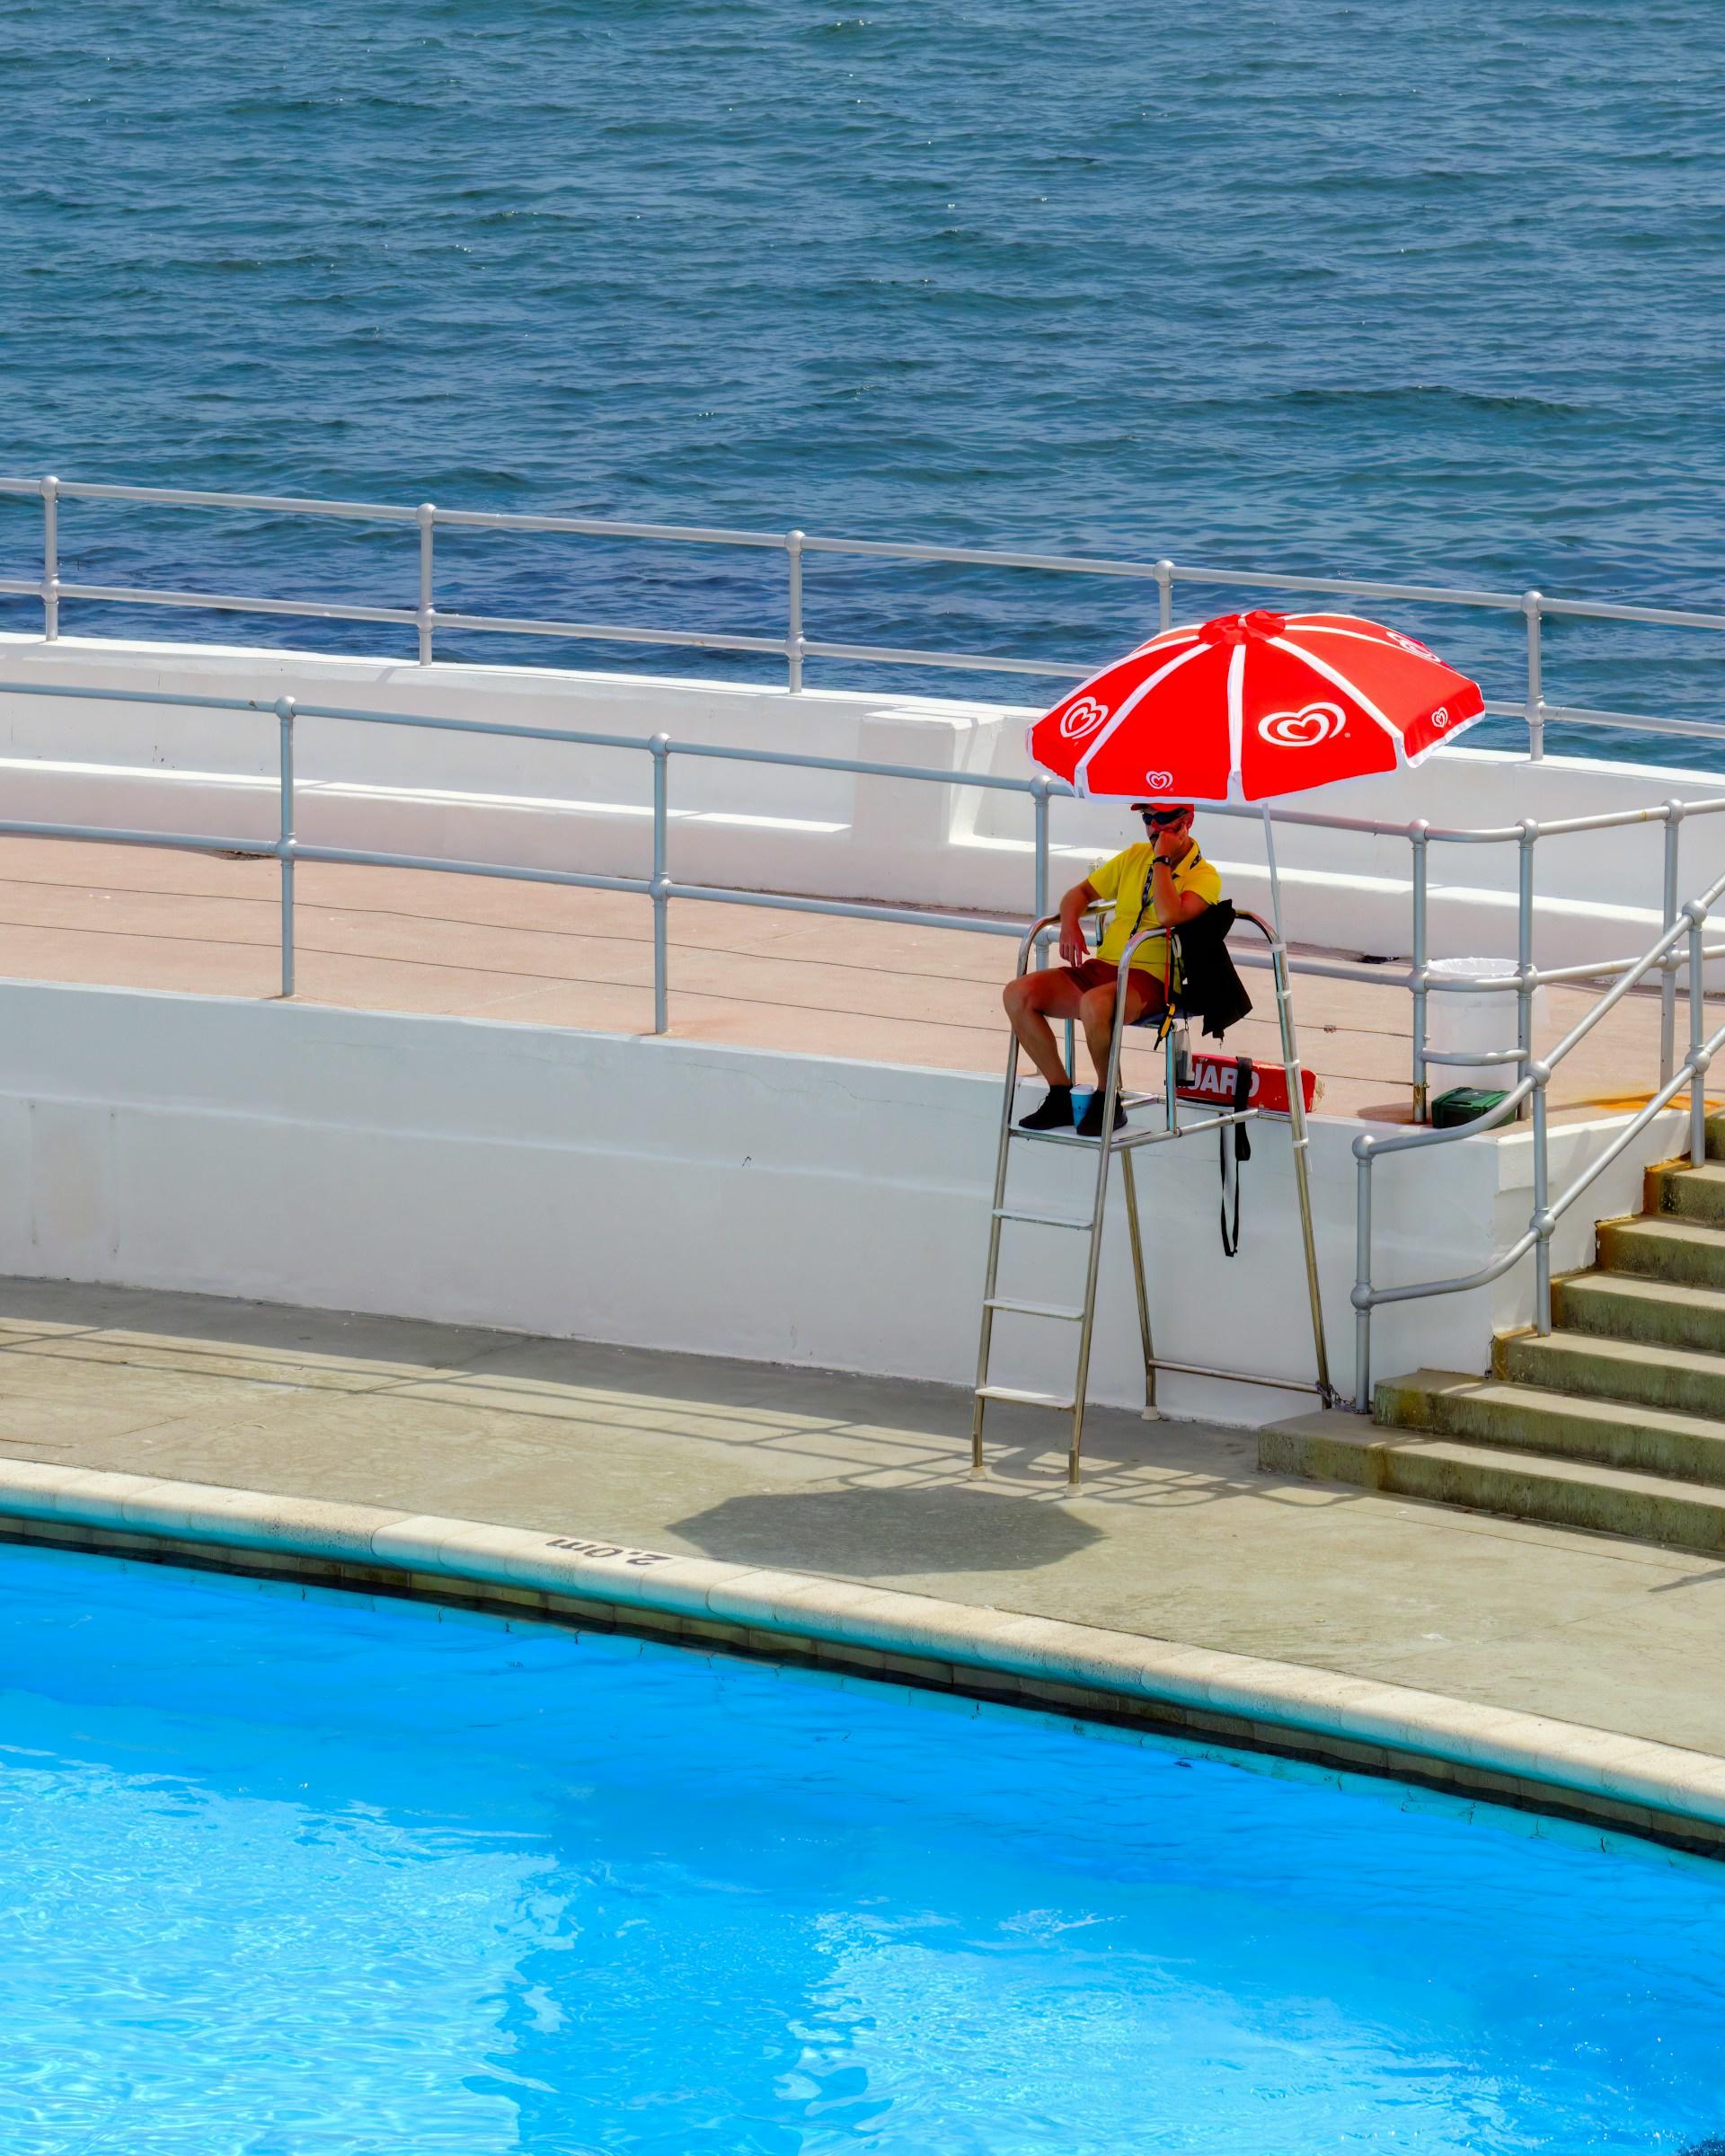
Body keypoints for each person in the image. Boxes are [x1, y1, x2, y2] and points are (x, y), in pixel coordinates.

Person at [1002, 801, 1223, 1136]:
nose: (1154, 828)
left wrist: (1162, 861)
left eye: (1164, 820)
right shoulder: (1134, 855)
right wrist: (1071, 922)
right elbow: (1079, 892)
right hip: (1105, 967)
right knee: (1018, 994)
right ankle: (1061, 1093)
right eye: (1148, 819)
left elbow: (1168, 916)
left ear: (1186, 822)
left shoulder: (1205, 876)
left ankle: (1108, 1099)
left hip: (1154, 980)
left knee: (1095, 1003)